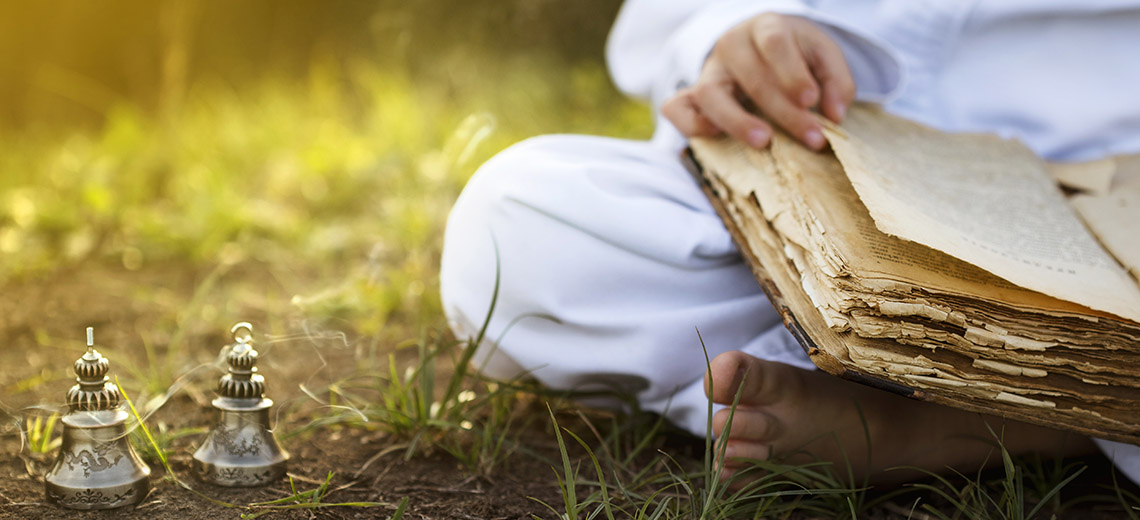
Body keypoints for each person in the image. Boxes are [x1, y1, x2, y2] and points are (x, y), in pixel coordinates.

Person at [439, 0, 1140, 485]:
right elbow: (683, 19)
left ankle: (1024, 423)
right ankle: (929, 377)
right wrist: (739, 37)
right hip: (831, 151)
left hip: (1111, 198)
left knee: (1111, 351)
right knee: (514, 226)